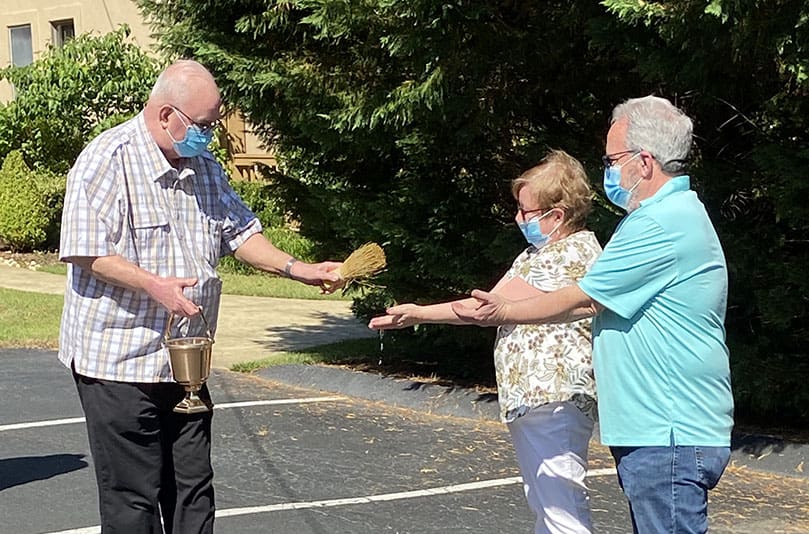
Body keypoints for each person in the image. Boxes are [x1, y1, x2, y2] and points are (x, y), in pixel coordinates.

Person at [58, 59, 341, 534]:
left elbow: (241, 232)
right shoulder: (106, 159)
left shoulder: (202, 165)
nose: (209, 137)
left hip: (185, 361)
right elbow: (86, 253)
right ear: (167, 114)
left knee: (193, 485)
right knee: (133, 496)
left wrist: (299, 269)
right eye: (204, 126)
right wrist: (154, 284)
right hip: (118, 361)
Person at [452, 96, 734, 534]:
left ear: (644, 162)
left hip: (668, 432)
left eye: (611, 159)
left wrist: (505, 310)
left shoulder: (658, 223)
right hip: (660, 430)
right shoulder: (671, 215)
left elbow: (586, 299)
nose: (608, 169)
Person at [370, 150, 602, 534]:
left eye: (526, 212)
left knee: (561, 510)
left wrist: (419, 313)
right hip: (535, 401)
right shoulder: (539, 252)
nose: (518, 219)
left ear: (556, 216)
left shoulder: (568, 254)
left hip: (553, 401)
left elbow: (481, 309)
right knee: (548, 505)